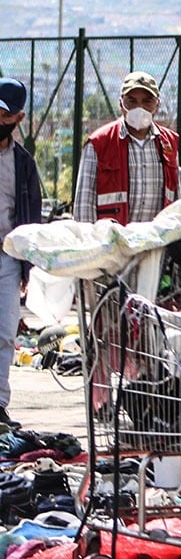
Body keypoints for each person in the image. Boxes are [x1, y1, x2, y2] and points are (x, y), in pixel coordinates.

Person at [74, 71, 179, 224]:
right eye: (132, 101)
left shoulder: (168, 144)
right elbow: (84, 208)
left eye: (147, 102)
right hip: (112, 244)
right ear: (121, 104)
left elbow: (176, 204)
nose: (140, 108)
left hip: (156, 244)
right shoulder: (99, 144)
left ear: (157, 105)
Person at [0, 79, 38, 428]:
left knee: (5, 332)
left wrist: (27, 267)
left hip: (6, 257)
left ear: (18, 118)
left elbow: (30, 216)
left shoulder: (23, 163)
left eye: (4, 114)